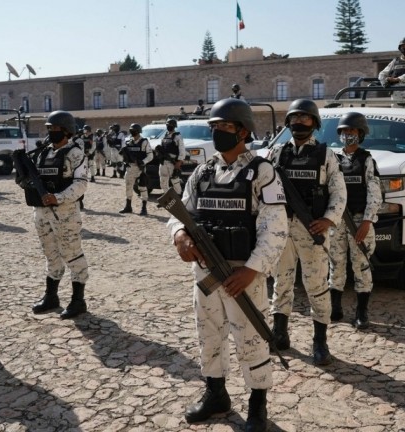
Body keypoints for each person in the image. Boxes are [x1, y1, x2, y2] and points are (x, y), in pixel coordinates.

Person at [167, 97, 288, 430]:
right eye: (215, 127)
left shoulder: (262, 172)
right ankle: (216, 393)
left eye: (225, 126)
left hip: (242, 274)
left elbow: (275, 227)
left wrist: (251, 270)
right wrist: (180, 235)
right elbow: (183, 212)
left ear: (243, 132)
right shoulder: (204, 171)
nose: (218, 131)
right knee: (209, 335)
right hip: (206, 273)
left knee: (251, 339)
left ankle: (257, 404)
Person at [268, 99, 347, 365]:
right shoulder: (276, 153)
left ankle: (320, 342)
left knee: (316, 286)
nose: (299, 122)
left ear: (314, 123)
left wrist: (328, 220)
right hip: (281, 231)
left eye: (305, 118)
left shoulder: (326, 155)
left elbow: (339, 193)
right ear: (288, 122)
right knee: (282, 283)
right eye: (295, 118)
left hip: (312, 229)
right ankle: (279, 334)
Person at [22, 110, 89, 319]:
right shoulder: (43, 152)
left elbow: (81, 184)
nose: (51, 132)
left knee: (72, 253)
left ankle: (78, 300)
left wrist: (58, 197)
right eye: (49, 128)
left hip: (65, 213)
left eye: (55, 128)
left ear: (67, 131)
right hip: (41, 213)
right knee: (50, 254)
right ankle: (51, 296)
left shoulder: (75, 153)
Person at [329, 112, 382, 330]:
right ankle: (335, 308)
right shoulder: (333, 158)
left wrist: (367, 221)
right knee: (336, 265)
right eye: (344, 131)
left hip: (360, 220)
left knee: (361, 266)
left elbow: (375, 193)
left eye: (352, 131)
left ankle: (361, 312)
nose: (347, 134)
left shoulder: (367, 160)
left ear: (360, 134)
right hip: (337, 220)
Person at [118, 123, 153, 215]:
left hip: (140, 168)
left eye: (133, 130)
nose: (132, 132)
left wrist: (143, 162)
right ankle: (128, 206)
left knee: (142, 188)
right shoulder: (129, 142)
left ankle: (144, 208)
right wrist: (124, 159)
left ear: (138, 131)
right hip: (130, 168)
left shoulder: (144, 142)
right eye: (131, 130)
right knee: (128, 187)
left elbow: (150, 155)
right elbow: (123, 154)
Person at [378, 37, 405, 107]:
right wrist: (384, 83)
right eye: (402, 46)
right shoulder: (395, 61)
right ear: (400, 48)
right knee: (396, 114)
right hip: (395, 93)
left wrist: (397, 79)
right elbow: (382, 74)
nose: (404, 48)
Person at [157, 118, 186, 195]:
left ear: (174, 126)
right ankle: (167, 197)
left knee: (175, 180)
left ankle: (179, 196)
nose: (168, 126)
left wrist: (179, 162)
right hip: (164, 161)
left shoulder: (177, 136)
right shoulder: (164, 136)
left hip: (173, 162)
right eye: (167, 125)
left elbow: (182, 150)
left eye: (170, 125)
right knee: (163, 180)